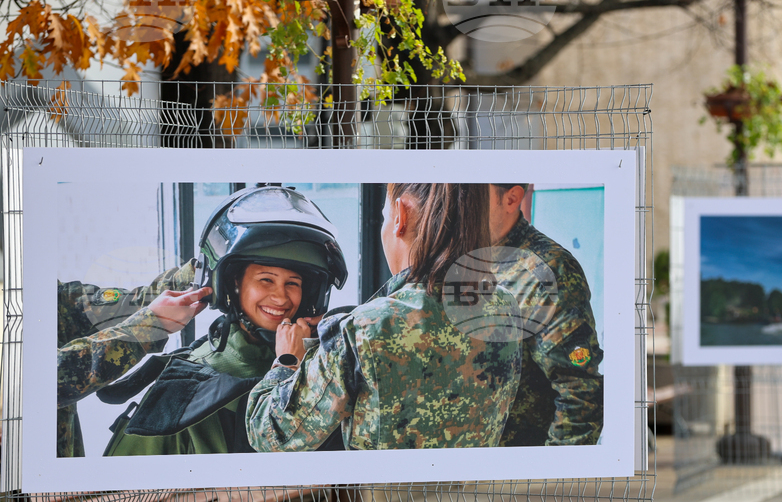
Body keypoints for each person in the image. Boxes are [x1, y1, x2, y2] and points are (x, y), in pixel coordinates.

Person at [246, 183, 522, 452]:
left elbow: (269, 435)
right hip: (479, 497)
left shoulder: (365, 330)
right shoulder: (504, 306)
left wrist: (287, 360)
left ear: (400, 216)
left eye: (383, 217)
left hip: (389, 499)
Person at [101, 184, 348, 456]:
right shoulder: (183, 391)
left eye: (293, 283)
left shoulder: (327, 361)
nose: (281, 297)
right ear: (234, 284)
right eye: (266, 279)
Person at [488, 183, 604, 447]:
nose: (455, 205)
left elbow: (580, 394)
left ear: (512, 198)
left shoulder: (549, 272)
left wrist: (550, 479)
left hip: (516, 476)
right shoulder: (452, 260)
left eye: (468, 194)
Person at [56, 262, 206, 457]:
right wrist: (149, 324)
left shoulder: (42, 295)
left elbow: (132, 304)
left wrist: (196, 271)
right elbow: (43, 380)